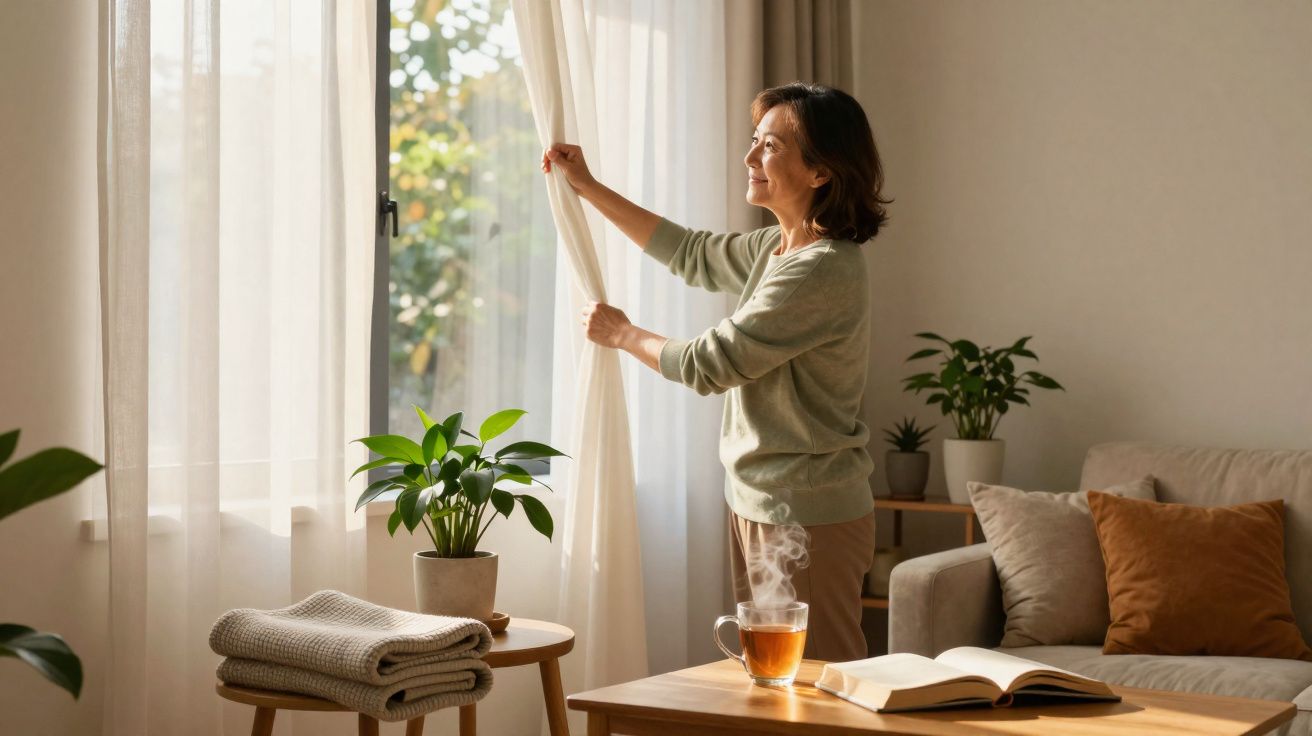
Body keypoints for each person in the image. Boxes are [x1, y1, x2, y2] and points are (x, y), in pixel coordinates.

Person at [539, 82, 890, 662]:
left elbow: (711, 364)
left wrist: (623, 333)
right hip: (757, 500)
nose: (750, 157)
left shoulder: (823, 269)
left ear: (821, 172)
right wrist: (589, 187)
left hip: (805, 513)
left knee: (818, 685)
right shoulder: (775, 249)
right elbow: (691, 252)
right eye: (755, 141)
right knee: (771, 679)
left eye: (770, 146)